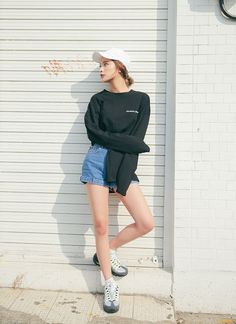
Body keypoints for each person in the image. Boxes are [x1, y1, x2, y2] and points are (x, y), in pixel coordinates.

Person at [80, 48, 155, 313]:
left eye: (105, 64)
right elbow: (94, 133)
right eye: (100, 65)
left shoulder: (141, 99)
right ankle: (109, 282)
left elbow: (137, 141)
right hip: (97, 161)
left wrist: (127, 146)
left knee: (146, 223)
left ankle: (107, 251)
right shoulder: (97, 100)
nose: (100, 69)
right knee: (100, 226)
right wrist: (129, 143)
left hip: (125, 162)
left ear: (120, 67)